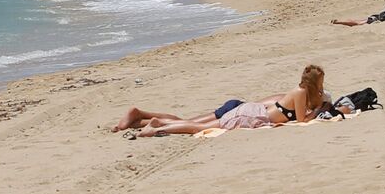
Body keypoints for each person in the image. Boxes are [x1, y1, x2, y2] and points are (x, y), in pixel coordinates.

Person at [131, 65, 333, 136]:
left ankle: (159, 123)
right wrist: (318, 110)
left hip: (252, 113)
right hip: (250, 116)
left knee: (197, 124)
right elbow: (301, 121)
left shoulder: (301, 92)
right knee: (196, 128)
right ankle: (155, 129)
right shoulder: (298, 93)